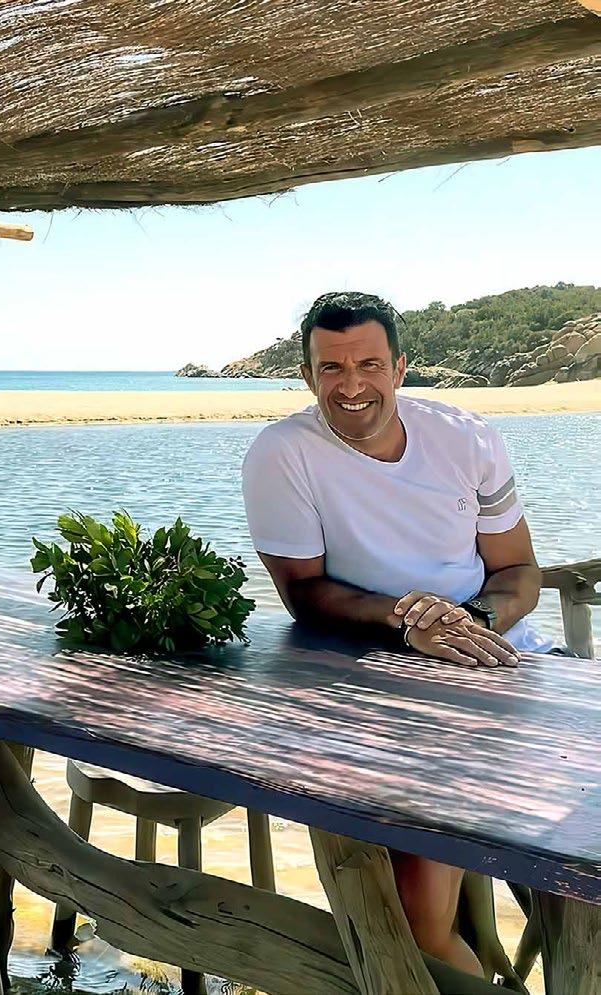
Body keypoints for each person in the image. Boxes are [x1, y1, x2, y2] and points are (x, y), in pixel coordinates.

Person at [240, 291, 548, 977]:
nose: (351, 385)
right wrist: (409, 624)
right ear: (306, 375)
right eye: (331, 367)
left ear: (400, 367)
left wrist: (469, 624)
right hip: (370, 682)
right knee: (411, 919)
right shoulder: (282, 453)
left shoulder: (466, 437)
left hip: (495, 665)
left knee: (564, 861)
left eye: (369, 365)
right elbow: (303, 593)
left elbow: (518, 570)